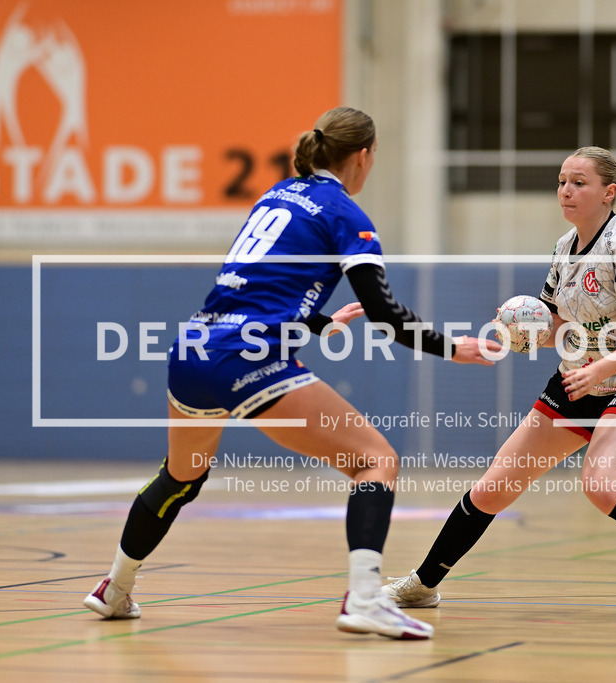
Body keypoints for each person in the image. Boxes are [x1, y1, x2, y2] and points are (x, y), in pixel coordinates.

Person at [83, 106, 501, 639]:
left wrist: (319, 320)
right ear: (364, 156)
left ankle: (114, 589)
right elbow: (385, 314)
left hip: (194, 350)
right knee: (377, 462)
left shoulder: (276, 195)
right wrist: (451, 347)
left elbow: (253, 284)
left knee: (180, 475)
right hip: (247, 357)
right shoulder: (345, 214)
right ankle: (366, 601)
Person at [383, 146, 616, 622]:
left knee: (601, 483)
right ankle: (422, 586)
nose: (566, 190)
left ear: (609, 192)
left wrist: (599, 369)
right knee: (493, 488)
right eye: (561, 181)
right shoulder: (563, 247)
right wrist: (513, 336)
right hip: (575, 384)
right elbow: (555, 328)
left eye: (579, 182)